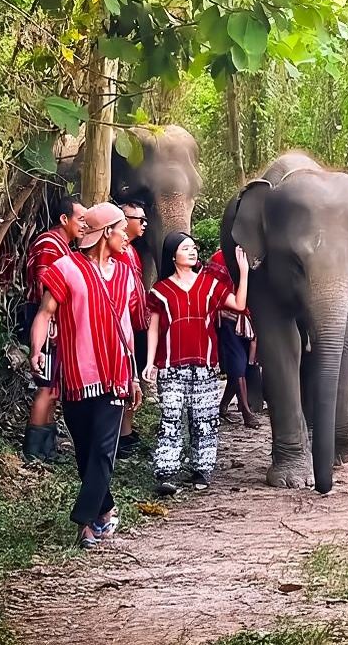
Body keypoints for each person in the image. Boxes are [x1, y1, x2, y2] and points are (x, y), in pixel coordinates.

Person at [29, 202, 144, 549]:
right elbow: (45, 312)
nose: (126, 236)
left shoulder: (125, 275)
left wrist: (134, 376)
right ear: (106, 232)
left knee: (104, 450)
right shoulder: (65, 268)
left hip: (115, 374)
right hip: (76, 376)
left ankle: (84, 522)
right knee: (85, 450)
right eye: (121, 229)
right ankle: (105, 509)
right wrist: (36, 349)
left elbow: (126, 328)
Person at [145, 232, 249, 494]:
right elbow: (154, 329)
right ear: (172, 255)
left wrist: (244, 272)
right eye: (185, 248)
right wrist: (150, 362)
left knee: (204, 419)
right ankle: (166, 473)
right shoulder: (160, 291)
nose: (192, 252)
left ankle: (202, 470)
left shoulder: (210, 284)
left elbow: (239, 304)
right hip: (170, 366)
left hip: (205, 365)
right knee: (170, 417)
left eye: (194, 247)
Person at [22, 195, 85, 462]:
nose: (84, 225)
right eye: (81, 219)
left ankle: (46, 449)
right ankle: (33, 452)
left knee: (54, 388)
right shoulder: (50, 244)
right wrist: (53, 324)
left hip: (53, 322)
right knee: (46, 387)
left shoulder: (64, 247)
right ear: (64, 219)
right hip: (46, 322)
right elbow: (44, 287)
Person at [205, 248, 260, 428]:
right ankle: (246, 412)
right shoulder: (220, 259)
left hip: (250, 320)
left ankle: (223, 406)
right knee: (238, 365)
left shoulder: (258, 255)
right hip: (228, 319)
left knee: (240, 367)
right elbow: (209, 289)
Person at [115, 201, 150, 455]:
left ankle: (126, 430)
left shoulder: (131, 251)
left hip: (135, 322)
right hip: (123, 323)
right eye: (140, 219)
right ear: (124, 220)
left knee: (132, 373)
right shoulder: (119, 251)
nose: (145, 224)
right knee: (126, 375)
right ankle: (122, 434)